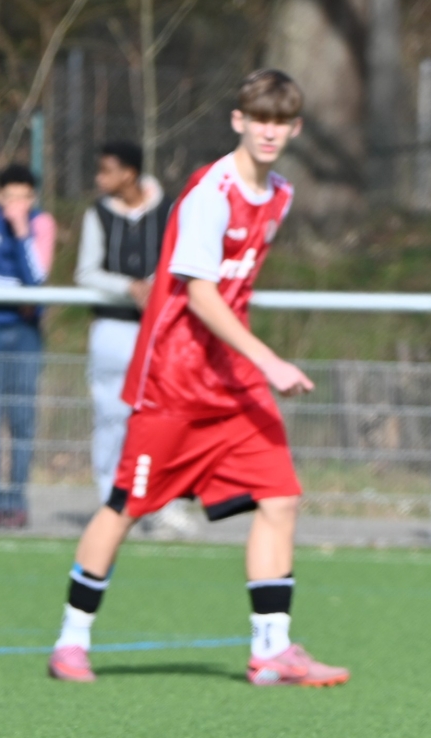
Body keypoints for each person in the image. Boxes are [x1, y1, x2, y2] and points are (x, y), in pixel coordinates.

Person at [43, 69, 349, 689]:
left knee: (281, 498)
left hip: (230, 379)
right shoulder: (211, 192)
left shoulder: (280, 194)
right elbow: (201, 297)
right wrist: (269, 359)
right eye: (257, 119)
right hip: (174, 378)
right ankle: (71, 642)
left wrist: (249, 362)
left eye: (280, 122)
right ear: (238, 120)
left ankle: (271, 651)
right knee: (127, 504)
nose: (268, 131)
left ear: (293, 129)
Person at [74, 141, 176, 509]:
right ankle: (111, 501)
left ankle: (166, 506)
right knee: (111, 416)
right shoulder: (97, 214)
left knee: (164, 417)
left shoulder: (170, 210)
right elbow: (85, 273)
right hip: (113, 329)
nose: (100, 179)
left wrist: (158, 285)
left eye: (106, 171)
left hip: (163, 331)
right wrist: (128, 287)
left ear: (129, 174)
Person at [0, 162, 56, 528]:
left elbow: (36, 277)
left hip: (26, 335)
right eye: (10, 196)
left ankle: (16, 502)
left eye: (24, 196)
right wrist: (16, 292)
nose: (17, 203)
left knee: (21, 420)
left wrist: (21, 233)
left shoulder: (41, 224)